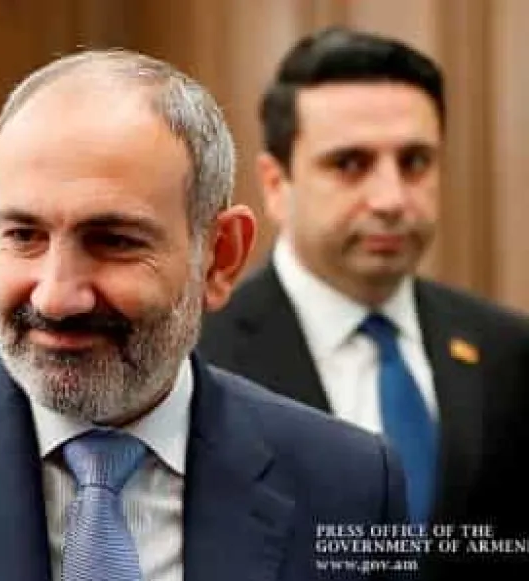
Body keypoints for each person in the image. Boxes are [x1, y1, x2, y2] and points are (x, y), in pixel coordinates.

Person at [0, 48, 409, 581]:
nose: (56, 296)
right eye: (24, 235)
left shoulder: (348, 485)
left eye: (114, 241)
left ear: (220, 256)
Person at [198, 26, 529, 576]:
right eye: (350, 164)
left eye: (415, 162)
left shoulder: (506, 350)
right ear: (276, 184)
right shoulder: (202, 355)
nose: (391, 199)